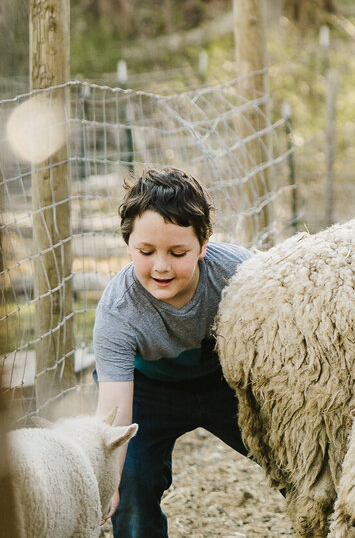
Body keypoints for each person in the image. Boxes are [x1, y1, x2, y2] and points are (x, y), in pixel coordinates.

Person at [93, 168, 253, 538]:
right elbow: (115, 411)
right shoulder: (118, 310)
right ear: (128, 244)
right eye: (146, 251)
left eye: (178, 252)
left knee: (298, 460)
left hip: (224, 381)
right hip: (147, 388)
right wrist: (108, 482)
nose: (161, 266)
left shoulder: (241, 273)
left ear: (204, 244)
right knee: (132, 484)